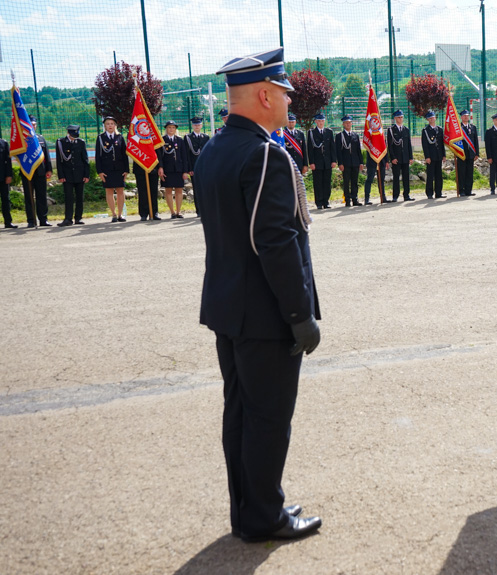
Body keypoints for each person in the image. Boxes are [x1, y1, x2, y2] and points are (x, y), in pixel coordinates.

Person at [196, 47, 322, 543]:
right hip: (267, 315)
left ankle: (248, 509)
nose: (290, 101)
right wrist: (300, 314)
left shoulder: (214, 149)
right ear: (265, 94)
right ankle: (265, 516)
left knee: (241, 415)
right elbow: (274, 241)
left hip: (229, 308)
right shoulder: (265, 153)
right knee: (268, 419)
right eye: (285, 93)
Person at [55, 124, 90, 227]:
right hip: (67, 175)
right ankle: (68, 219)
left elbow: (85, 160)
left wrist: (86, 175)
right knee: (69, 197)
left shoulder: (80, 142)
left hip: (79, 174)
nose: (74, 138)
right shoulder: (61, 142)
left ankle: (78, 218)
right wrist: (61, 175)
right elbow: (59, 161)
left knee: (80, 197)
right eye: (73, 136)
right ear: (68, 133)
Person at [96, 116, 129, 222]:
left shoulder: (120, 137)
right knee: (109, 191)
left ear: (115, 125)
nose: (110, 126)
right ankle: (113, 214)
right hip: (107, 169)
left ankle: (120, 214)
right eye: (107, 124)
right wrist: (100, 171)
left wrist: (126, 170)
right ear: (105, 126)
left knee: (120, 191)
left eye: (112, 124)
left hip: (119, 169)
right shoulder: (100, 138)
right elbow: (98, 156)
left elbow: (125, 155)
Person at [22, 119, 53, 228]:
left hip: (40, 171)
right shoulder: (22, 139)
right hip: (27, 171)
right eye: (31, 124)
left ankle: (43, 219)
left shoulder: (40, 138)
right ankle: (31, 220)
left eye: (34, 124)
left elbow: (46, 155)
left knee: (42, 196)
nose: (33, 126)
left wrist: (49, 169)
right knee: (29, 197)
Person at [158, 120, 189, 218]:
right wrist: (161, 167)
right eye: (169, 127)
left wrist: (185, 171)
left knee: (179, 190)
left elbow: (184, 156)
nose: (171, 129)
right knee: (168, 190)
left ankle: (178, 211)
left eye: (173, 128)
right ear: (166, 129)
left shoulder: (179, 140)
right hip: (168, 169)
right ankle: (172, 212)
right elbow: (160, 156)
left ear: (175, 129)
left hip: (178, 169)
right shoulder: (162, 140)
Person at [307, 113, 336, 209]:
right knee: (318, 182)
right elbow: (310, 149)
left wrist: (333, 160)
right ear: (315, 121)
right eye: (319, 121)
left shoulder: (329, 132)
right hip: (317, 162)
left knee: (327, 182)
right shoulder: (311, 133)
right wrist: (311, 162)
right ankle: (319, 202)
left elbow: (332, 147)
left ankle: (326, 201)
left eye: (322, 121)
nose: (321, 123)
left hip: (327, 161)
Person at [336, 115, 363, 207]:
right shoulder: (339, 136)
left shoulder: (355, 135)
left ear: (352, 123)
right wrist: (340, 163)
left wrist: (361, 162)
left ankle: (355, 199)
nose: (348, 124)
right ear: (343, 124)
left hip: (355, 162)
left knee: (355, 181)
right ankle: (347, 200)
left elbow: (358, 150)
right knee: (346, 182)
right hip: (345, 162)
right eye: (346, 123)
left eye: (349, 122)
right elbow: (338, 151)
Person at [387, 110, 414, 202]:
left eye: (402, 117)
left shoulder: (406, 129)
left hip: (405, 157)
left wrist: (411, 157)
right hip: (396, 158)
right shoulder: (391, 130)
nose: (400, 119)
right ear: (395, 118)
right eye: (398, 117)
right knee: (396, 177)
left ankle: (406, 195)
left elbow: (408, 145)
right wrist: (392, 158)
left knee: (406, 177)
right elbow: (390, 146)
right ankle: (395, 196)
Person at [185, 117, 210, 216]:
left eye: (198, 124)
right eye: (195, 125)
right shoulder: (188, 137)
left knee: (206, 189)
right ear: (192, 126)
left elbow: (208, 153)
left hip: (205, 168)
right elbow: (187, 154)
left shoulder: (206, 137)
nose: (197, 126)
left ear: (201, 125)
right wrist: (189, 168)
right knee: (197, 189)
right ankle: (199, 210)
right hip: (194, 168)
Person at [421, 110, 445, 199]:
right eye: (430, 118)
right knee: (430, 175)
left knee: (439, 175)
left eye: (433, 117)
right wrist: (427, 157)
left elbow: (442, 144)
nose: (432, 119)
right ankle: (429, 193)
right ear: (428, 119)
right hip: (430, 156)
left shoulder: (439, 129)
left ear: (435, 118)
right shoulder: (425, 130)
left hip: (439, 156)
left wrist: (444, 155)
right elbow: (425, 145)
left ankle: (439, 192)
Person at [456, 110, 478, 196]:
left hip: (471, 154)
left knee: (470, 172)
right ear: (461, 117)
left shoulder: (473, 127)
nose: (466, 117)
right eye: (464, 116)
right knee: (461, 173)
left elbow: (475, 141)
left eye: (467, 116)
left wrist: (477, 153)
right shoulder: (458, 128)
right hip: (461, 153)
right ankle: (461, 190)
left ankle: (469, 190)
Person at [0, 124, 17, 229]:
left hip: (2, 177)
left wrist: (9, 175)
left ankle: (8, 222)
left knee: (6, 199)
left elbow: (8, 161)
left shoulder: (4, 143)